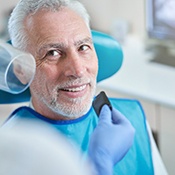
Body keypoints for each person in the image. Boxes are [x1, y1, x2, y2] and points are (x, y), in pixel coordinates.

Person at [1, 0, 167, 174]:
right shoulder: (12, 156)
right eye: (53, 53)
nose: (78, 70)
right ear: (20, 69)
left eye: (83, 47)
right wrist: (101, 163)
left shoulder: (131, 117)